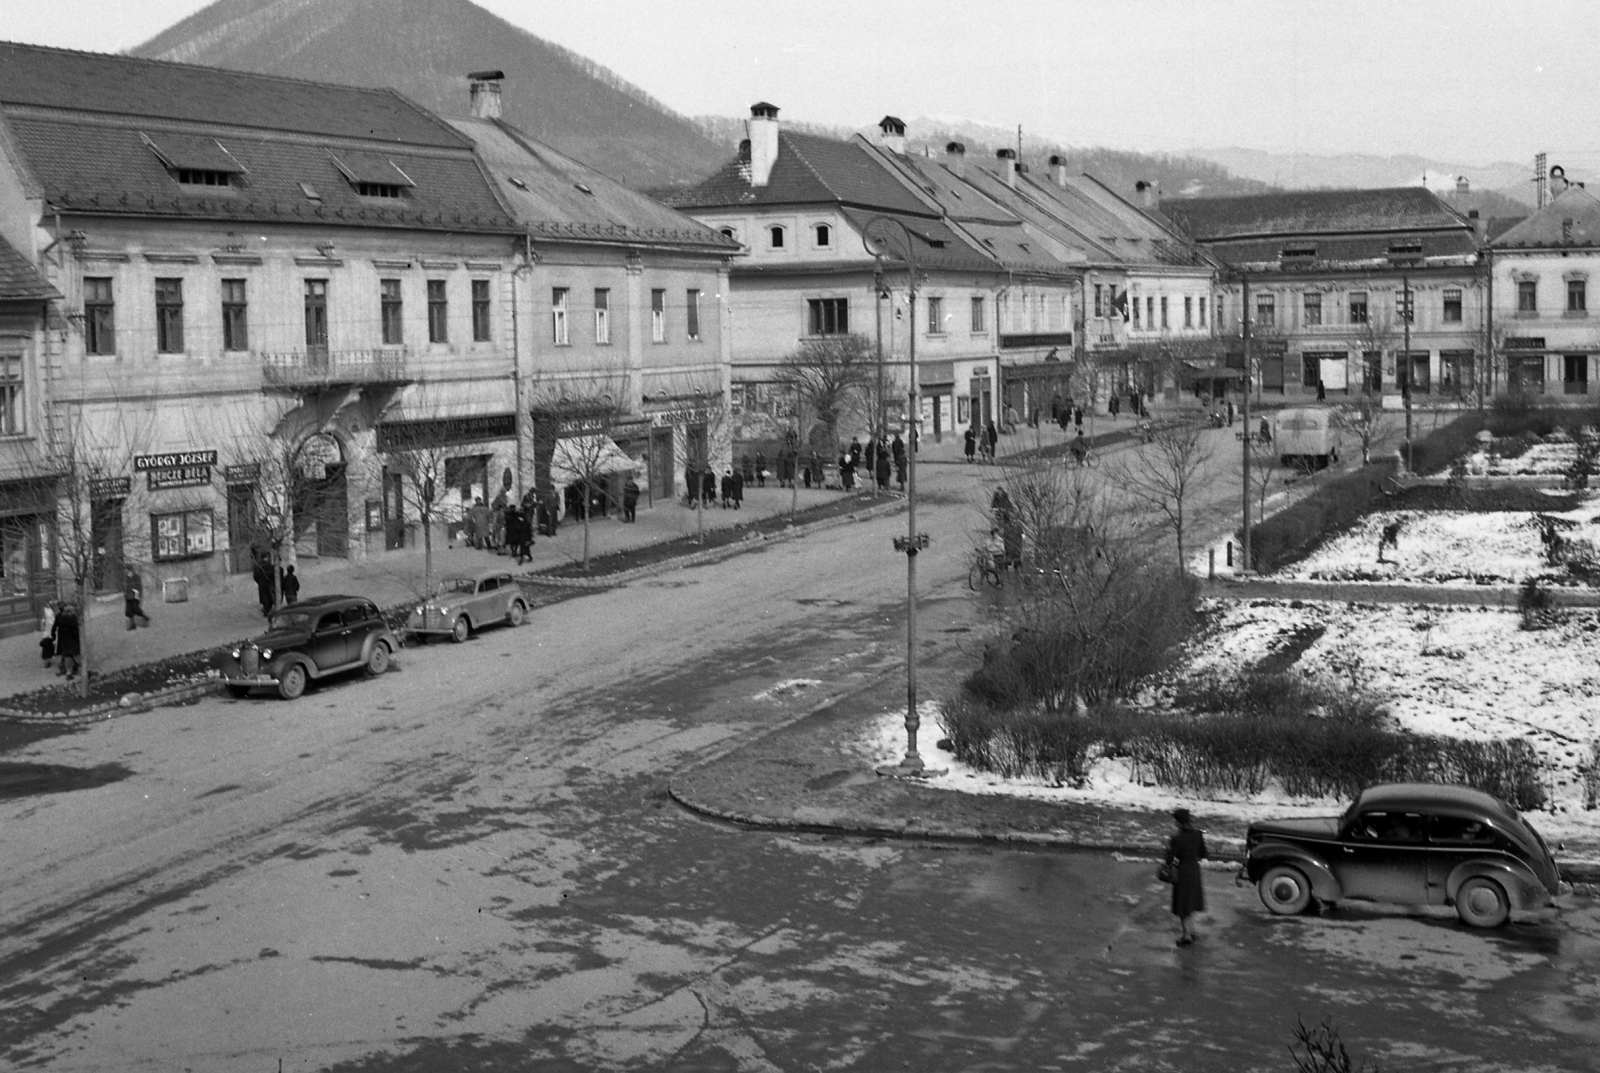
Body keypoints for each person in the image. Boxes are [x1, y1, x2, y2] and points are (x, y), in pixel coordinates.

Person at [1165, 807, 1208, 946]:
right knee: (1190, 902)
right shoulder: (1198, 834)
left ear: (1178, 822)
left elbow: (1169, 860)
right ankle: (1192, 931)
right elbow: (1204, 853)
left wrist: (1169, 849)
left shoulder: (1176, 838)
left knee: (1182, 905)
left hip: (1182, 871)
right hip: (1194, 870)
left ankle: (1186, 935)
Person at [53, 601, 81, 679]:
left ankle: (68, 673)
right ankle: (85, 671)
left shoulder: (61, 619)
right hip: (72, 641)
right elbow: (75, 631)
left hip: (64, 641)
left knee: (67, 656)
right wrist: (78, 639)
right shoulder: (73, 619)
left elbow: (59, 630)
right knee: (77, 656)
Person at [123, 565, 151, 630]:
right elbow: (125, 587)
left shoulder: (136, 577)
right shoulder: (126, 578)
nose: (126, 571)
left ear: (130, 570)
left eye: (127, 570)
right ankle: (132, 625)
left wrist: (138, 596)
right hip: (128, 596)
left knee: (136, 609)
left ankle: (145, 617)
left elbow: (139, 586)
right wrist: (125, 595)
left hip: (135, 596)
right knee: (129, 611)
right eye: (125, 570)